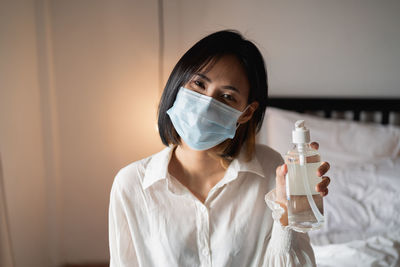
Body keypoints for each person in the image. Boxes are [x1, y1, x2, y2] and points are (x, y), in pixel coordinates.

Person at [108, 30, 331, 267]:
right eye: (199, 84)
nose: (206, 105)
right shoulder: (132, 184)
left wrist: (286, 212)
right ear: (179, 81)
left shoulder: (272, 172)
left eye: (226, 96)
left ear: (245, 113)